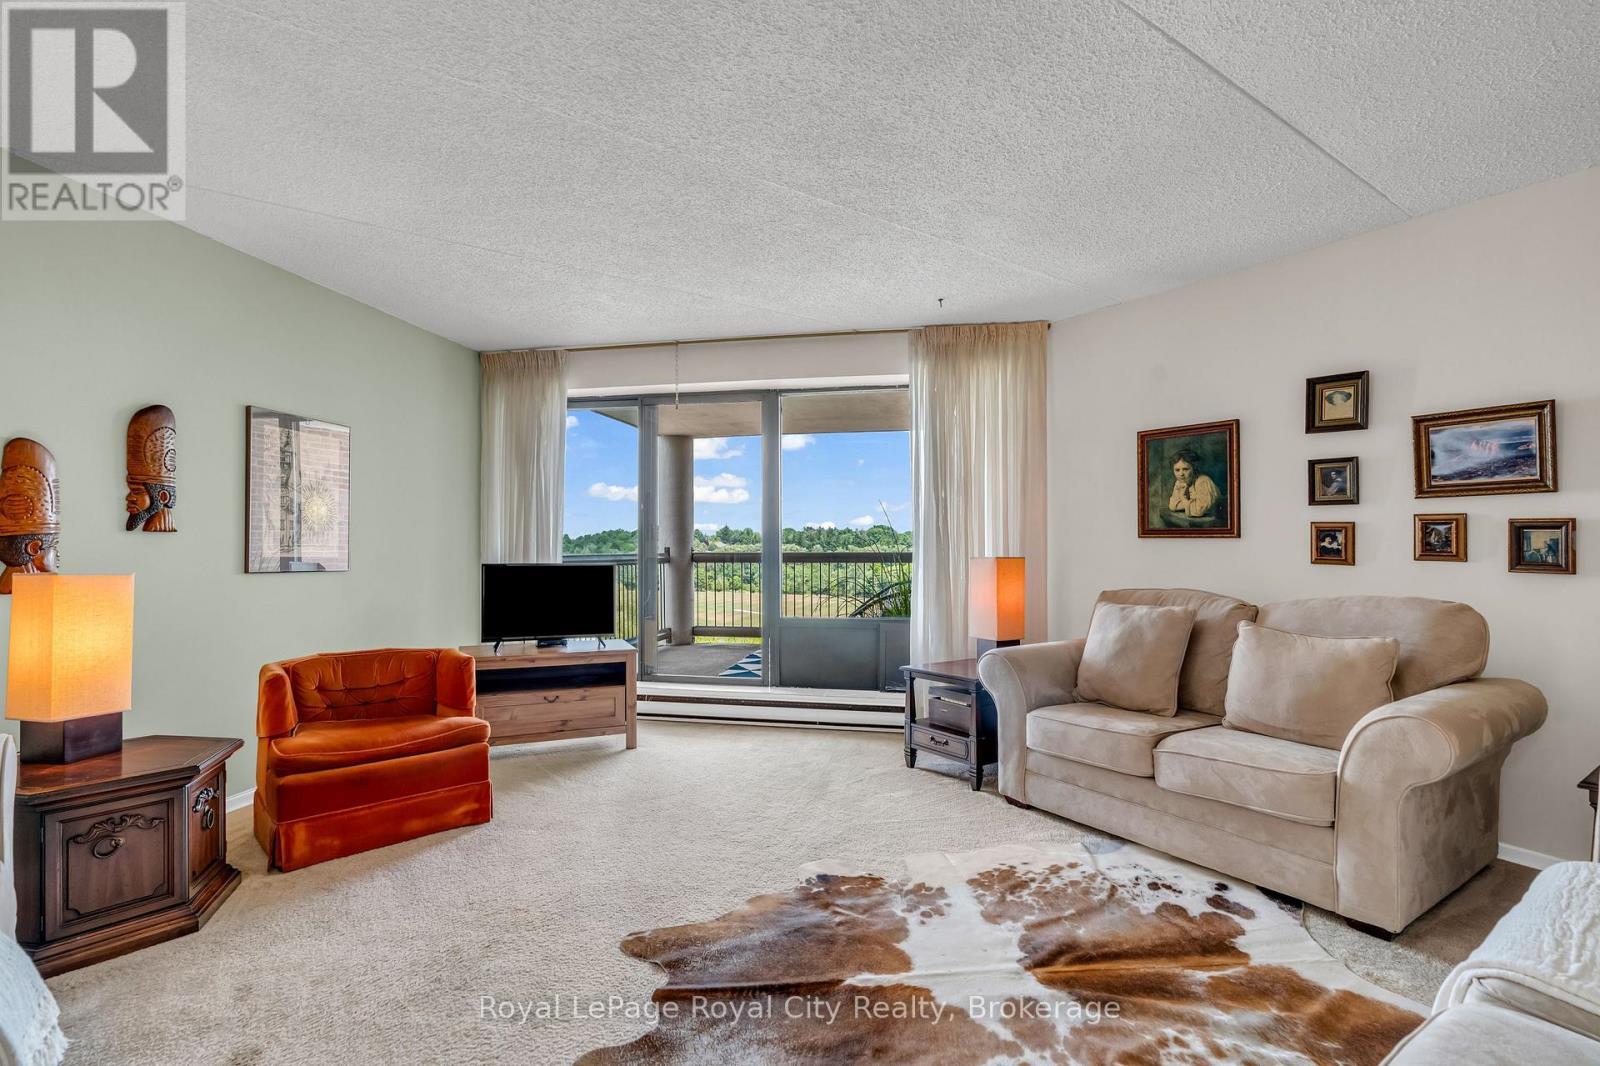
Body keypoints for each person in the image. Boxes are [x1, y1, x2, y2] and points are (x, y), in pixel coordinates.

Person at [1167, 449, 1219, 521]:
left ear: (1194, 468)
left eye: (1185, 469)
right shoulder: (1179, 482)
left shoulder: (1203, 481)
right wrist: (1190, 504)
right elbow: (1173, 506)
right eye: (1177, 470)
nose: (1181, 474)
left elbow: (1197, 511)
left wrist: (1182, 498)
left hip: (1214, 521)